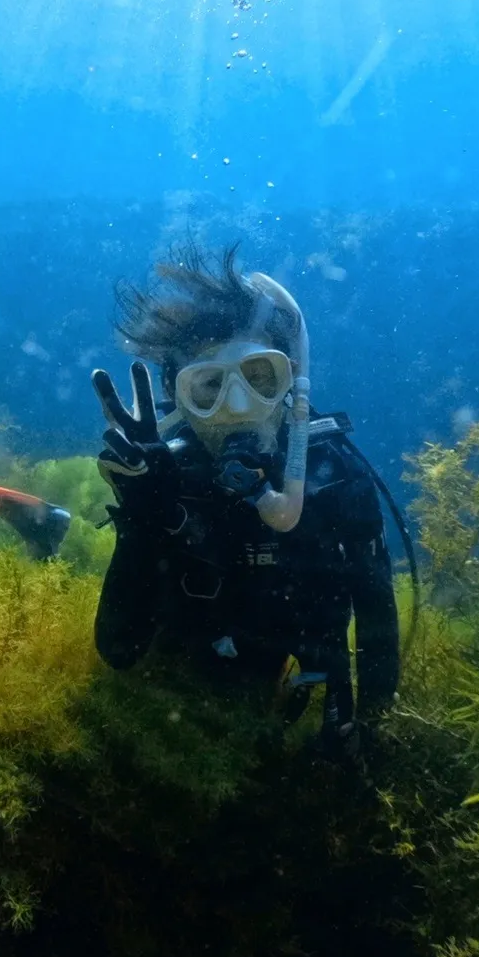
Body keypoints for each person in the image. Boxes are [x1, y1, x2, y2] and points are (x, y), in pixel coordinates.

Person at [90, 244, 400, 757]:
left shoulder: (333, 482)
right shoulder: (169, 479)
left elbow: (377, 622)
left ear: (291, 387)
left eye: (259, 378)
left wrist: (371, 728)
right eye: (208, 387)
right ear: (178, 398)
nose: (236, 409)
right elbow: (119, 650)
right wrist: (143, 521)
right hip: (186, 715)